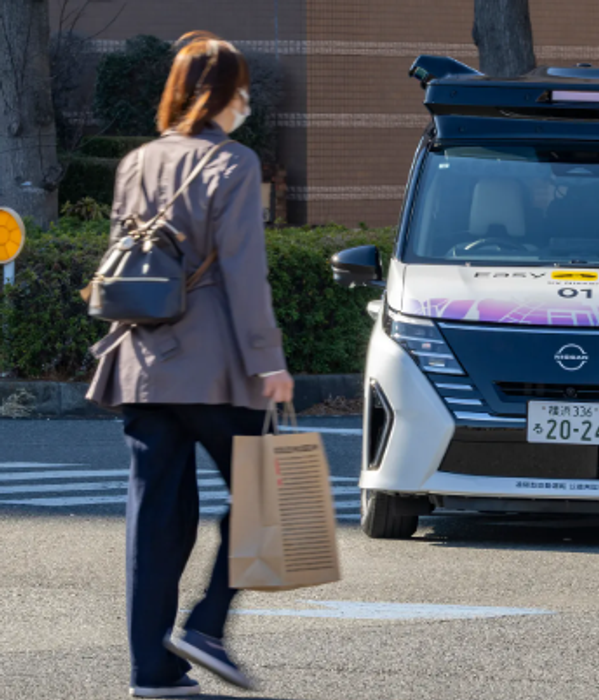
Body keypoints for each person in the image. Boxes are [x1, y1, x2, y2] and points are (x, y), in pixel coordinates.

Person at [85, 31, 294, 697]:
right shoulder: (232, 164)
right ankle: (206, 625)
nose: (246, 101)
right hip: (214, 367)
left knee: (155, 520)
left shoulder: (136, 162)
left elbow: (123, 263)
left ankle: (152, 671)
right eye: (242, 89)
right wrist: (270, 362)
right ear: (225, 94)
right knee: (272, 494)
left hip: (143, 363)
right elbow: (243, 273)